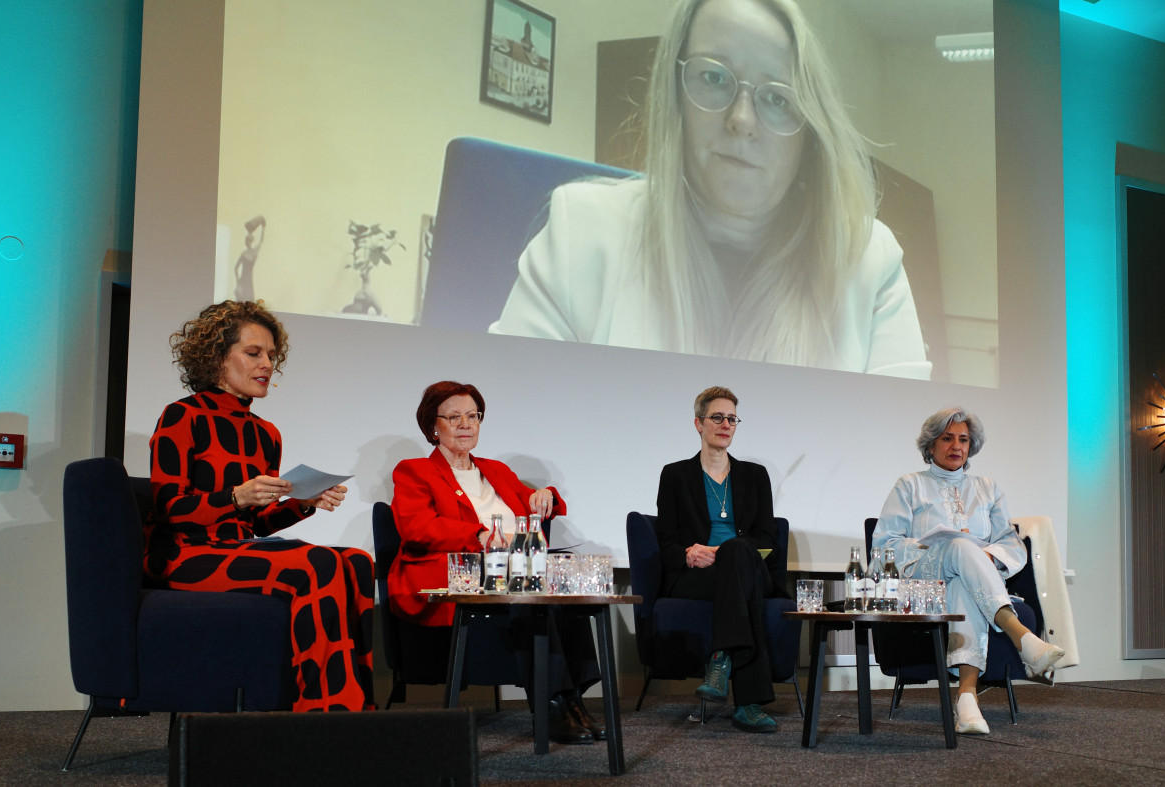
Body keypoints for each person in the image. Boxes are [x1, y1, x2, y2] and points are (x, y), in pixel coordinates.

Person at [490, 0, 930, 379]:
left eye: (778, 99)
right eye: (714, 78)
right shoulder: (580, 233)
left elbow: (905, 458)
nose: (741, 119)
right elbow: (499, 430)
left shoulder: (870, 262)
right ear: (675, 94)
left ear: (810, 133)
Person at [144, 300, 374, 712]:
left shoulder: (266, 433)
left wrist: (303, 504)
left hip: (238, 548)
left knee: (358, 563)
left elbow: (258, 526)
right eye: (254, 353)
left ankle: (359, 706)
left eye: (271, 355)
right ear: (217, 358)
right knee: (316, 563)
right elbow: (168, 508)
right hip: (186, 553)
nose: (267, 364)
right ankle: (325, 712)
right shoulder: (182, 416)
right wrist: (235, 496)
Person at [389, 381, 604, 744]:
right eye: (454, 417)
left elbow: (541, 501)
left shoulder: (495, 470)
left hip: (509, 573)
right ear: (432, 426)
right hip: (455, 575)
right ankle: (552, 704)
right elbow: (416, 527)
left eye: (473, 416)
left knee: (561, 573)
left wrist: (543, 494)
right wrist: (477, 536)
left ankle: (573, 699)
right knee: (523, 580)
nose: (465, 424)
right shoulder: (414, 471)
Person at [873, 407, 1066, 734]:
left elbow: (1011, 542)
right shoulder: (909, 485)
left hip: (969, 581)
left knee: (964, 576)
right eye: (947, 438)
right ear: (931, 445)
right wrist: (940, 547)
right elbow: (885, 545)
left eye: (963, 439)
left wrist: (987, 557)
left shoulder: (988, 488)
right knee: (961, 547)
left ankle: (966, 700)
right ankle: (1022, 637)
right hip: (921, 581)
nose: (956, 446)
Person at [654, 386, 784, 733]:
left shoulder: (755, 476)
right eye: (717, 417)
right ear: (698, 423)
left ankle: (721, 657)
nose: (726, 424)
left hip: (748, 567)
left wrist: (726, 551)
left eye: (732, 418)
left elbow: (766, 538)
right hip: (698, 575)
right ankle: (749, 704)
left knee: (739, 551)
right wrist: (688, 553)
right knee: (740, 578)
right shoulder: (675, 475)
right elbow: (665, 542)